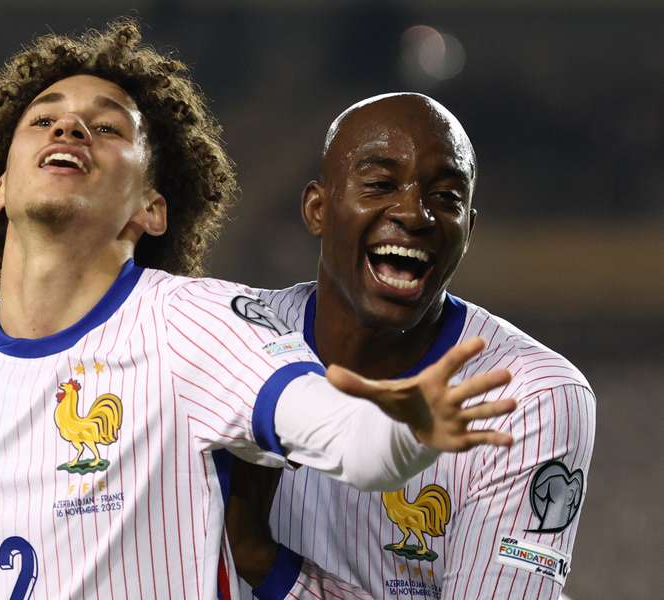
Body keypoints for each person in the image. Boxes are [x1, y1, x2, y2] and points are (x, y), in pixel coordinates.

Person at [0, 23, 516, 600]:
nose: (71, 130)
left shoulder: (202, 324)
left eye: (107, 126)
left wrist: (406, 431)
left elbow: (346, 438)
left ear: (152, 208)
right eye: (46, 119)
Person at [226, 93, 596, 600]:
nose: (414, 214)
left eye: (446, 197)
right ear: (317, 209)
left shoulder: (532, 396)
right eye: (380, 184)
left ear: (468, 231)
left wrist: (269, 567)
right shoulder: (234, 338)